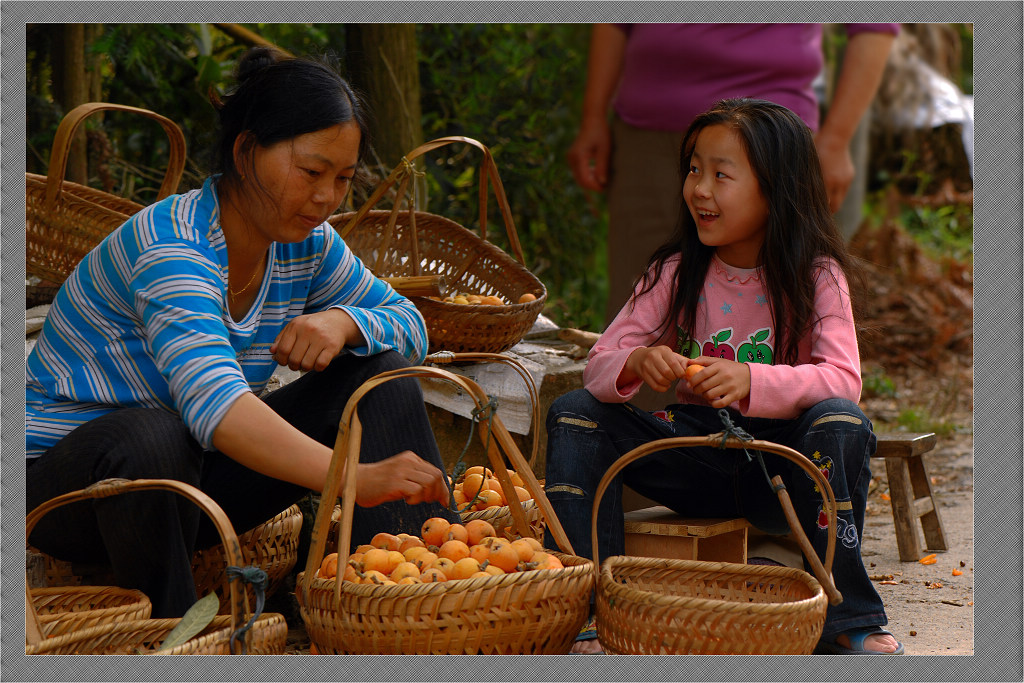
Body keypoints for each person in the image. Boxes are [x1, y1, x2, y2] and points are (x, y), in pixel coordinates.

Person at [26, 47, 457, 618]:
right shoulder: (172, 248)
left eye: (344, 178)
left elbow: (410, 326)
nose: (327, 197)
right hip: (68, 491)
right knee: (151, 436)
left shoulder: (310, 242)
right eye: (311, 172)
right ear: (246, 150)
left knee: (378, 376)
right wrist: (353, 477)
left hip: (193, 476)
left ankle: (410, 602)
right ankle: (178, 637)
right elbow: (217, 408)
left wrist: (348, 321)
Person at [544, 98, 903, 655]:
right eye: (693, 169)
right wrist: (637, 363)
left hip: (785, 466)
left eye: (721, 174)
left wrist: (752, 381)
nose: (700, 189)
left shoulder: (818, 274)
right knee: (575, 411)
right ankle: (585, 610)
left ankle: (846, 615)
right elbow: (600, 364)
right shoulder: (674, 271)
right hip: (696, 455)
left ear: (774, 189)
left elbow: (842, 379)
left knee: (842, 420)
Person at [567, 23, 900, 325]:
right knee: (641, 302)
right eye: (694, 172)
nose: (699, 189)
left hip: (767, 137)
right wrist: (593, 115)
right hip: (647, 129)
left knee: (770, 306)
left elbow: (874, 24)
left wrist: (837, 138)